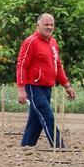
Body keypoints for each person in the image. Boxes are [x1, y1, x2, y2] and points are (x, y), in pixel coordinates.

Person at [15, 13, 76, 148]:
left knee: (36, 120)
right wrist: (21, 89)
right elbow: (21, 66)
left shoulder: (53, 43)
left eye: (51, 25)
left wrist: (67, 85)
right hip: (33, 86)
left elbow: (58, 65)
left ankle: (26, 147)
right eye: (46, 24)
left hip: (47, 87)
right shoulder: (30, 42)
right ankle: (59, 147)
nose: (49, 27)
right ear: (38, 25)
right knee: (48, 117)